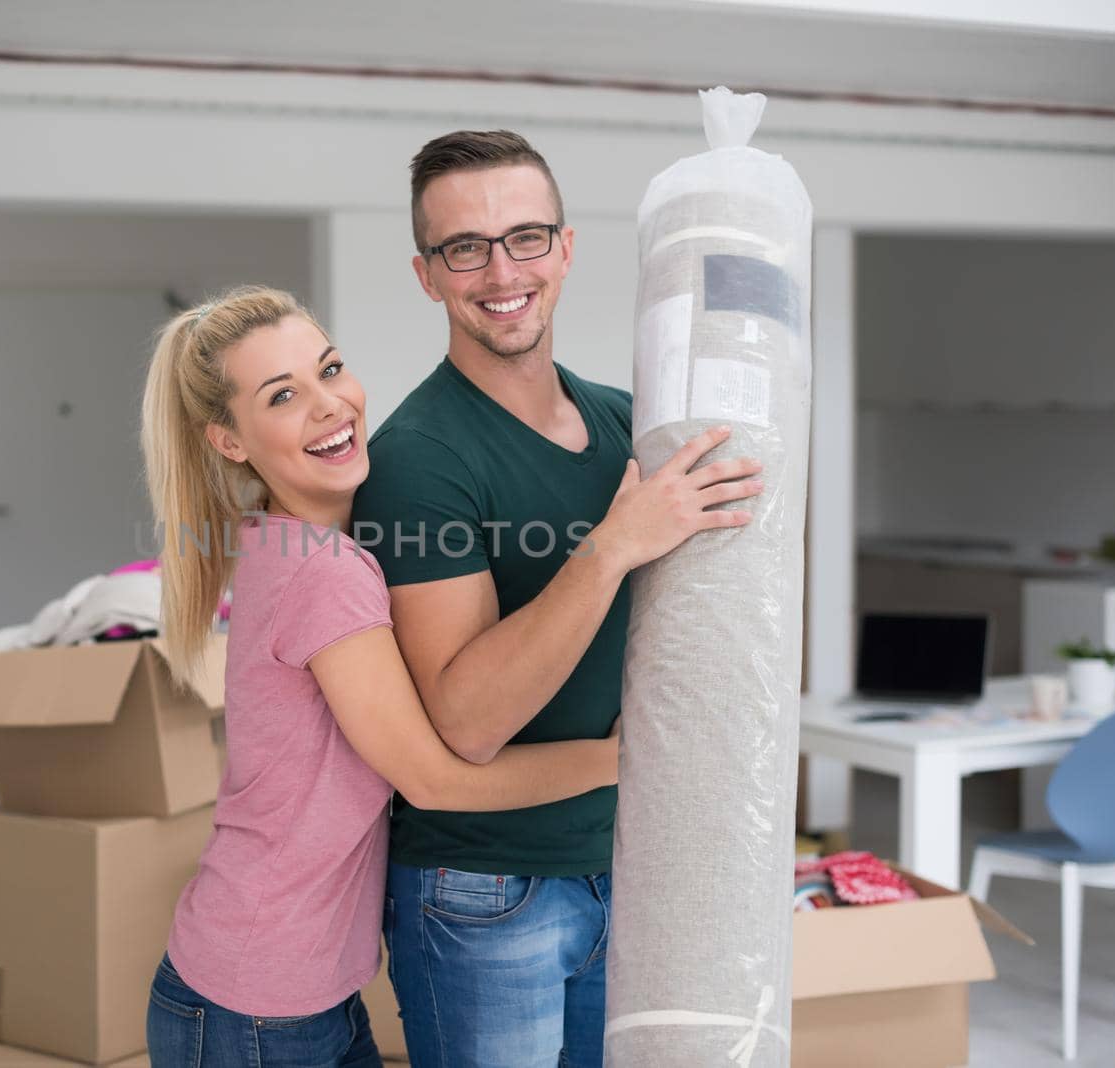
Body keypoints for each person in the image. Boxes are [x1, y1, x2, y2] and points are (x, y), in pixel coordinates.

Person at [349, 129, 765, 1066]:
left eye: (526, 237)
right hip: (484, 889)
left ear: (566, 251)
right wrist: (614, 544)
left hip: (624, 862)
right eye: (465, 247)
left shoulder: (629, 423)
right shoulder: (418, 459)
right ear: (427, 275)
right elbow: (466, 721)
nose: (502, 270)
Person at [140, 285, 622, 1068]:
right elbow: (435, 778)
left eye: (330, 369)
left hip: (287, 988)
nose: (331, 405)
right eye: (284, 396)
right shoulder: (321, 571)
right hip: (254, 1007)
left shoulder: (293, 542)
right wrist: (623, 759)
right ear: (229, 441)